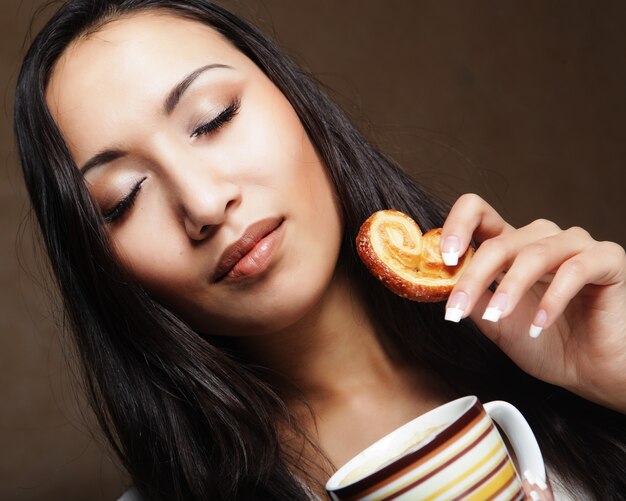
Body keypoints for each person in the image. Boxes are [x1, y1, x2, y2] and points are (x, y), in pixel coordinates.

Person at [13, 1, 626, 500]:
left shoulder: (566, 348)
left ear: (295, 101)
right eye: (122, 200)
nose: (203, 204)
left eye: (213, 118)